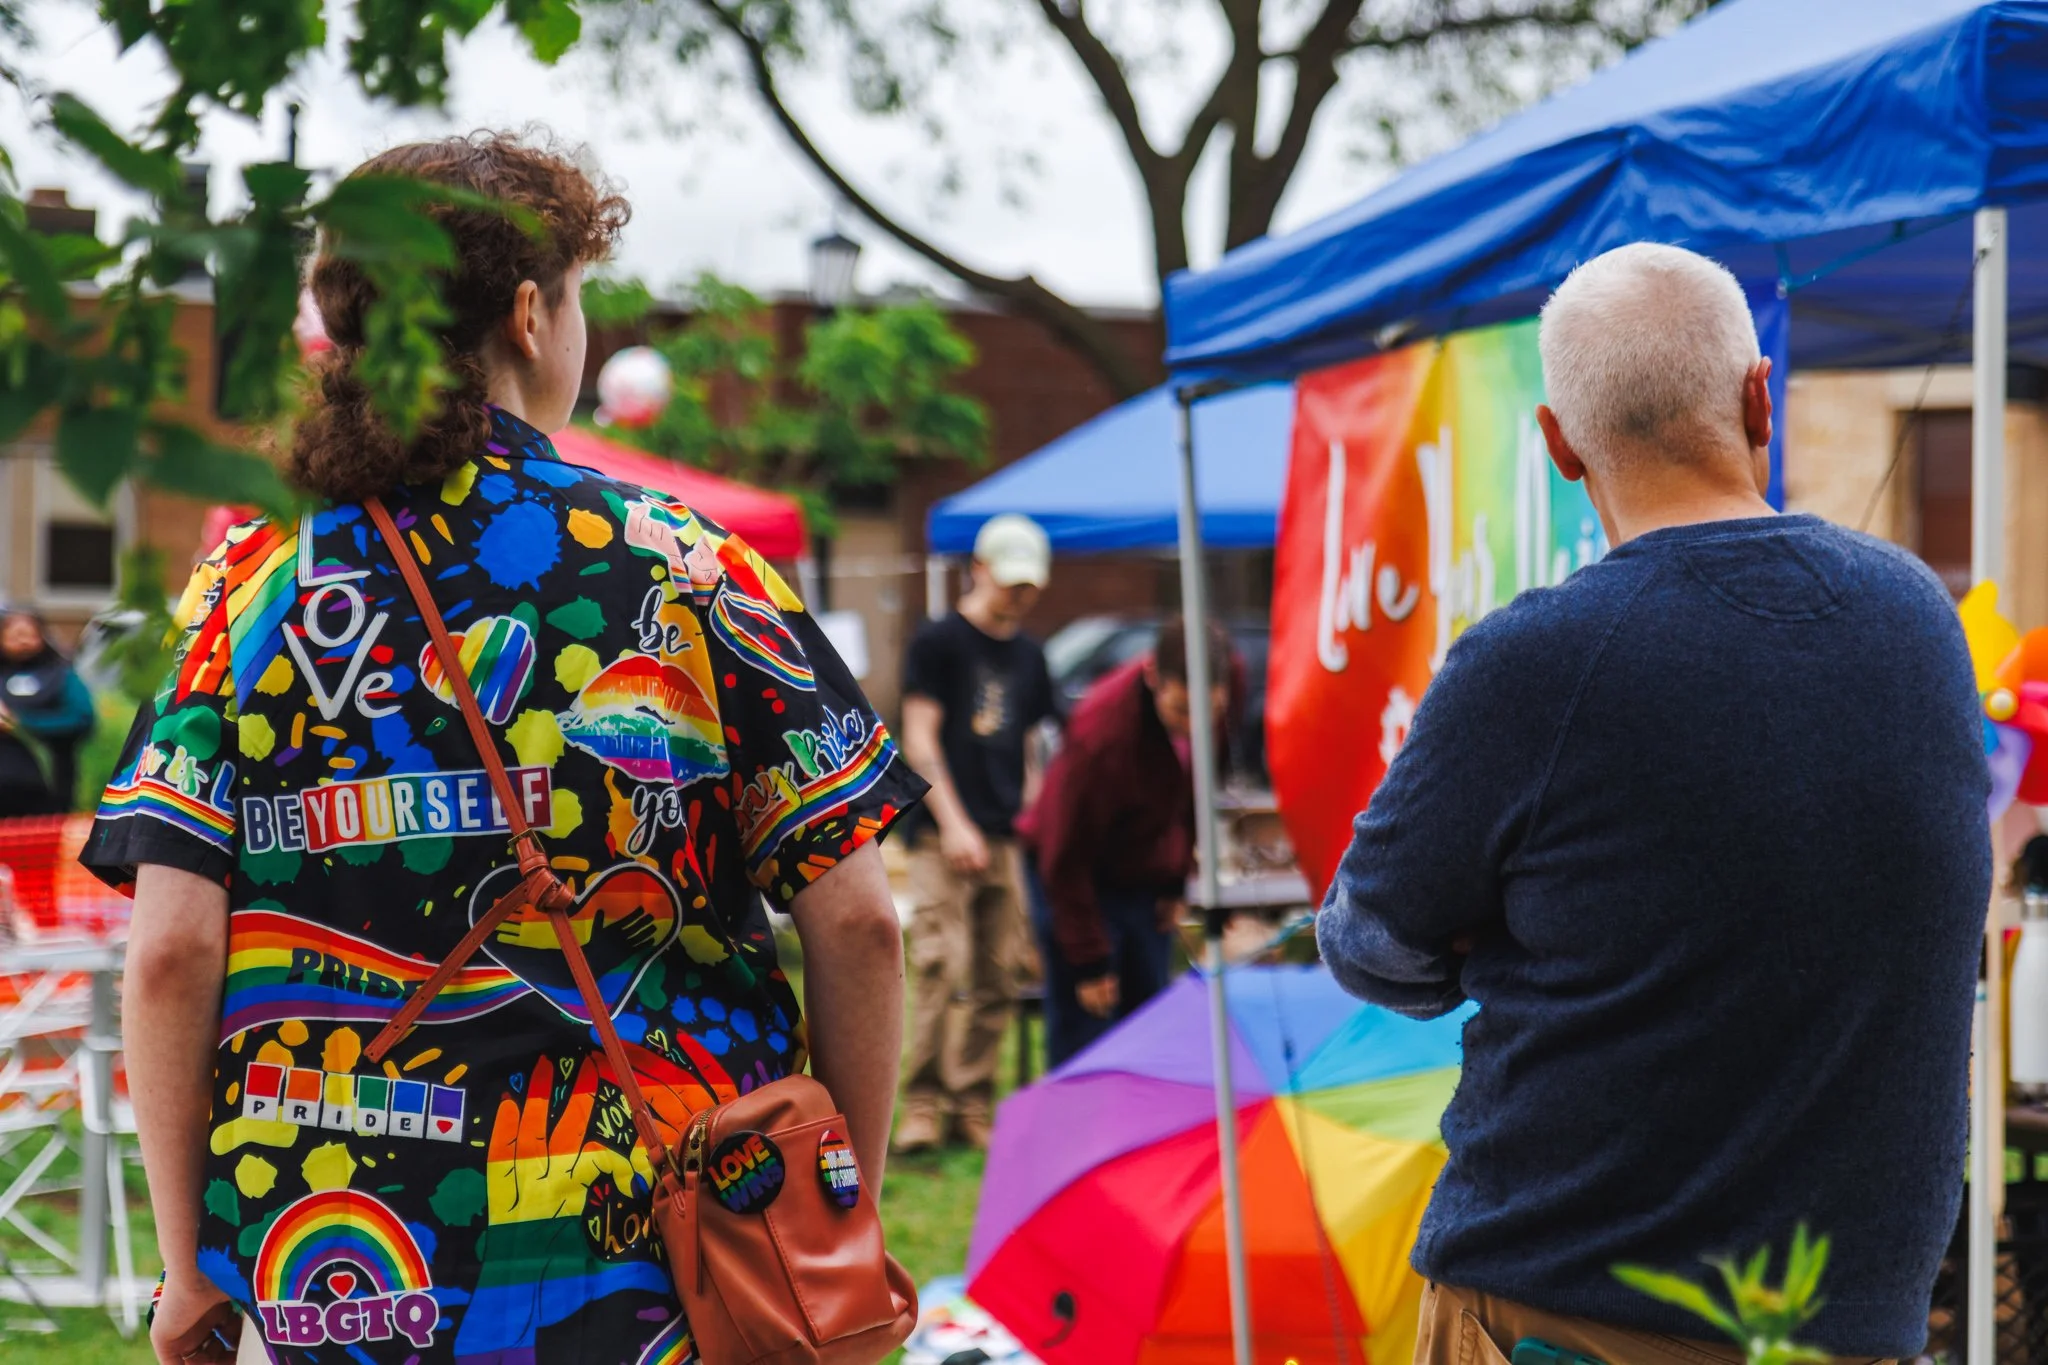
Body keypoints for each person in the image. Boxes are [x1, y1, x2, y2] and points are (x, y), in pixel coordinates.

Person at [84, 133, 925, 1365]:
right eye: (578, 300)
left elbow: (167, 953)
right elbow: (857, 924)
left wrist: (180, 1268)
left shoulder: (247, 590)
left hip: (332, 1284)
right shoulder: (684, 567)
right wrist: (838, 1215)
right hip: (660, 1280)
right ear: (529, 316)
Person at [1316, 243, 1987, 1364]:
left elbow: (1368, 938)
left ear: (1557, 444)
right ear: (1758, 396)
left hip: (1571, 1313)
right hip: (1851, 1325)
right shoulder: (1919, 619)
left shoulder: (1536, 663)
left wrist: (1509, 938)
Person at [895, 514, 1056, 1152]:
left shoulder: (1031, 655)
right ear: (980, 569)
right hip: (943, 836)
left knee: (997, 974)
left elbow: (1028, 744)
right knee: (941, 964)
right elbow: (919, 738)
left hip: (1005, 835)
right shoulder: (938, 641)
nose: (1020, 595)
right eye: (1011, 582)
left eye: (1030, 586)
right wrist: (955, 824)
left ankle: (971, 1104)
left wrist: (1031, 811)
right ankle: (923, 1107)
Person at [1021, 615, 1232, 1069]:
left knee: (1148, 1019)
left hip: (1143, 873)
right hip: (1076, 879)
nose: (1195, 725)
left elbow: (1190, 793)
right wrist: (1089, 962)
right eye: (1181, 710)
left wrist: (1175, 881)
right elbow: (1064, 856)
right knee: (1091, 1026)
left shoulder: (1219, 686)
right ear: (1153, 677)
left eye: (1208, 711)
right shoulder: (1101, 736)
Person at [0, 606, 95, 815]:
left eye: (27, 634)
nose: (21, 640)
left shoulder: (61, 675)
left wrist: (20, 722)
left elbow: (82, 718)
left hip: (46, 788)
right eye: (14, 635)